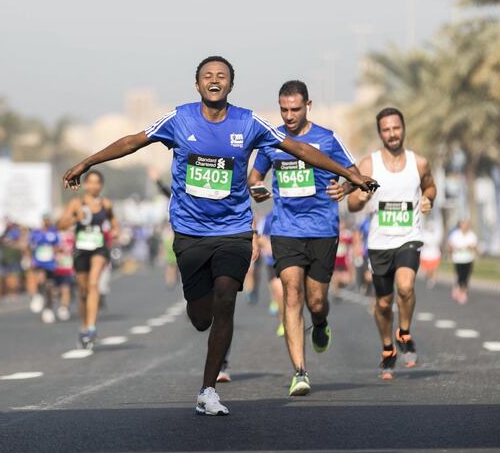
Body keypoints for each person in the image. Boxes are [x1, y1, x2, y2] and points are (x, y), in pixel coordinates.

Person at [63, 56, 377, 416]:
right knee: (201, 316)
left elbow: (301, 149)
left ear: (231, 84)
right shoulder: (179, 119)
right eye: (208, 76)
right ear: (197, 85)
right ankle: (203, 310)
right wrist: (88, 162)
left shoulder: (249, 122)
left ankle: (208, 389)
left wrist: (350, 176)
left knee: (227, 295)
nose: (215, 80)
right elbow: (133, 141)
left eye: (222, 76)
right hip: (190, 231)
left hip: (234, 230)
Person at [248, 79, 359, 396]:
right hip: (286, 230)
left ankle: (321, 323)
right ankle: (299, 371)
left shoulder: (327, 138)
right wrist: (256, 187)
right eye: (284, 109)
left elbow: (353, 173)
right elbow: (255, 176)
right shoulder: (272, 141)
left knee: (316, 301)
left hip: (322, 230)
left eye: (295, 109)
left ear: (308, 106)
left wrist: (346, 187)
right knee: (291, 294)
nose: (289, 116)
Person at [347, 107, 436, 380]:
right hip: (379, 242)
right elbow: (350, 203)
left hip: (409, 237)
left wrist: (428, 198)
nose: (392, 134)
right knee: (383, 304)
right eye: (386, 130)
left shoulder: (418, 163)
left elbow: (430, 186)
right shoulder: (368, 166)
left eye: (396, 128)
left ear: (403, 128)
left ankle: (405, 330)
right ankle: (388, 348)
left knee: (406, 286)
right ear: (380, 133)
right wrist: (360, 199)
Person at [57, 170, 118, 348]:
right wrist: (76, 218)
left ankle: (91, 327)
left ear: (101, 185)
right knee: (82, 291)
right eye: (90, 182)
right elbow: (60, 224)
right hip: (81, 250)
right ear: (85, 185)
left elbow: (114, 223)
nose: (94, 186)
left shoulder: (106, 204)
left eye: (97, 183)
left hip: (99, 249)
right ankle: (84, 326)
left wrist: (116, 231)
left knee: (93, 284)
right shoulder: (77, 203)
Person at [29, 215, 61, 324]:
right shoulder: (36, 233)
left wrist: (57, 257)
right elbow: (29, 245)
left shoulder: (54, 233)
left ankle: (48, 309)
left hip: (50, 262)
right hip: (39, 261)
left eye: (48, 220)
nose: (46, 222)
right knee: (40, 278)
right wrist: (30, 259)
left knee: (49, 286)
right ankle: (38, 295)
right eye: (45, 220)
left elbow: (57, 247)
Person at [447, 219, 478, 304]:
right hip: (458, 259)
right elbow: (450, 246)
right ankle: (460, 291)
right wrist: (453, 250)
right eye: (463, 224)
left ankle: (463, 292)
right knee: (460, 276)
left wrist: (471, 248)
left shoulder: (472, 235)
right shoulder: (455, 234)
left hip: (468, 259)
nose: (464, 226)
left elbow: (475, 247)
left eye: (466, 224)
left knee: (466, 276)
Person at [419, 217, 442, 289]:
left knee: (433, 269)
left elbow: (438, 240)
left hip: (434, 254)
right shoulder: (424, 233)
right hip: (425, 255)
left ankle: (432, 279)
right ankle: (429, 277)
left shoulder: (436, 234)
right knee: (427, 270)